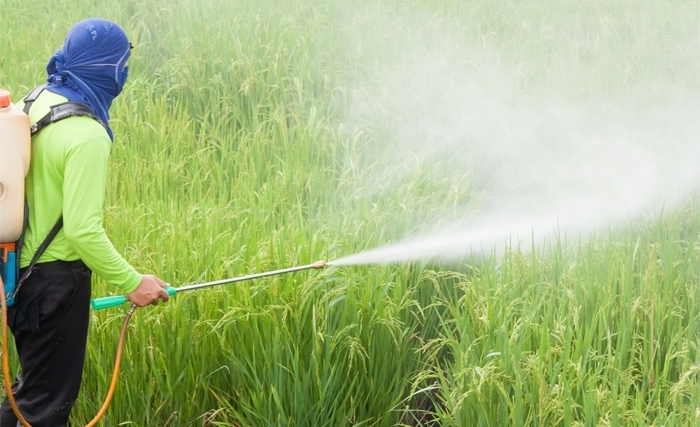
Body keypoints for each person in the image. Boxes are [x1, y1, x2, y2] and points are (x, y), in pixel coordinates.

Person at [0, 18, 170, 427]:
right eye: (122, 64)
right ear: (105, 67)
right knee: (43, 410)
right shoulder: (87, 134)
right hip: (56, 286)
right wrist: (133, 282)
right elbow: (82, 229)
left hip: (15, 274)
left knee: (29, 398)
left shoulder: (32, 101)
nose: (124, 73)